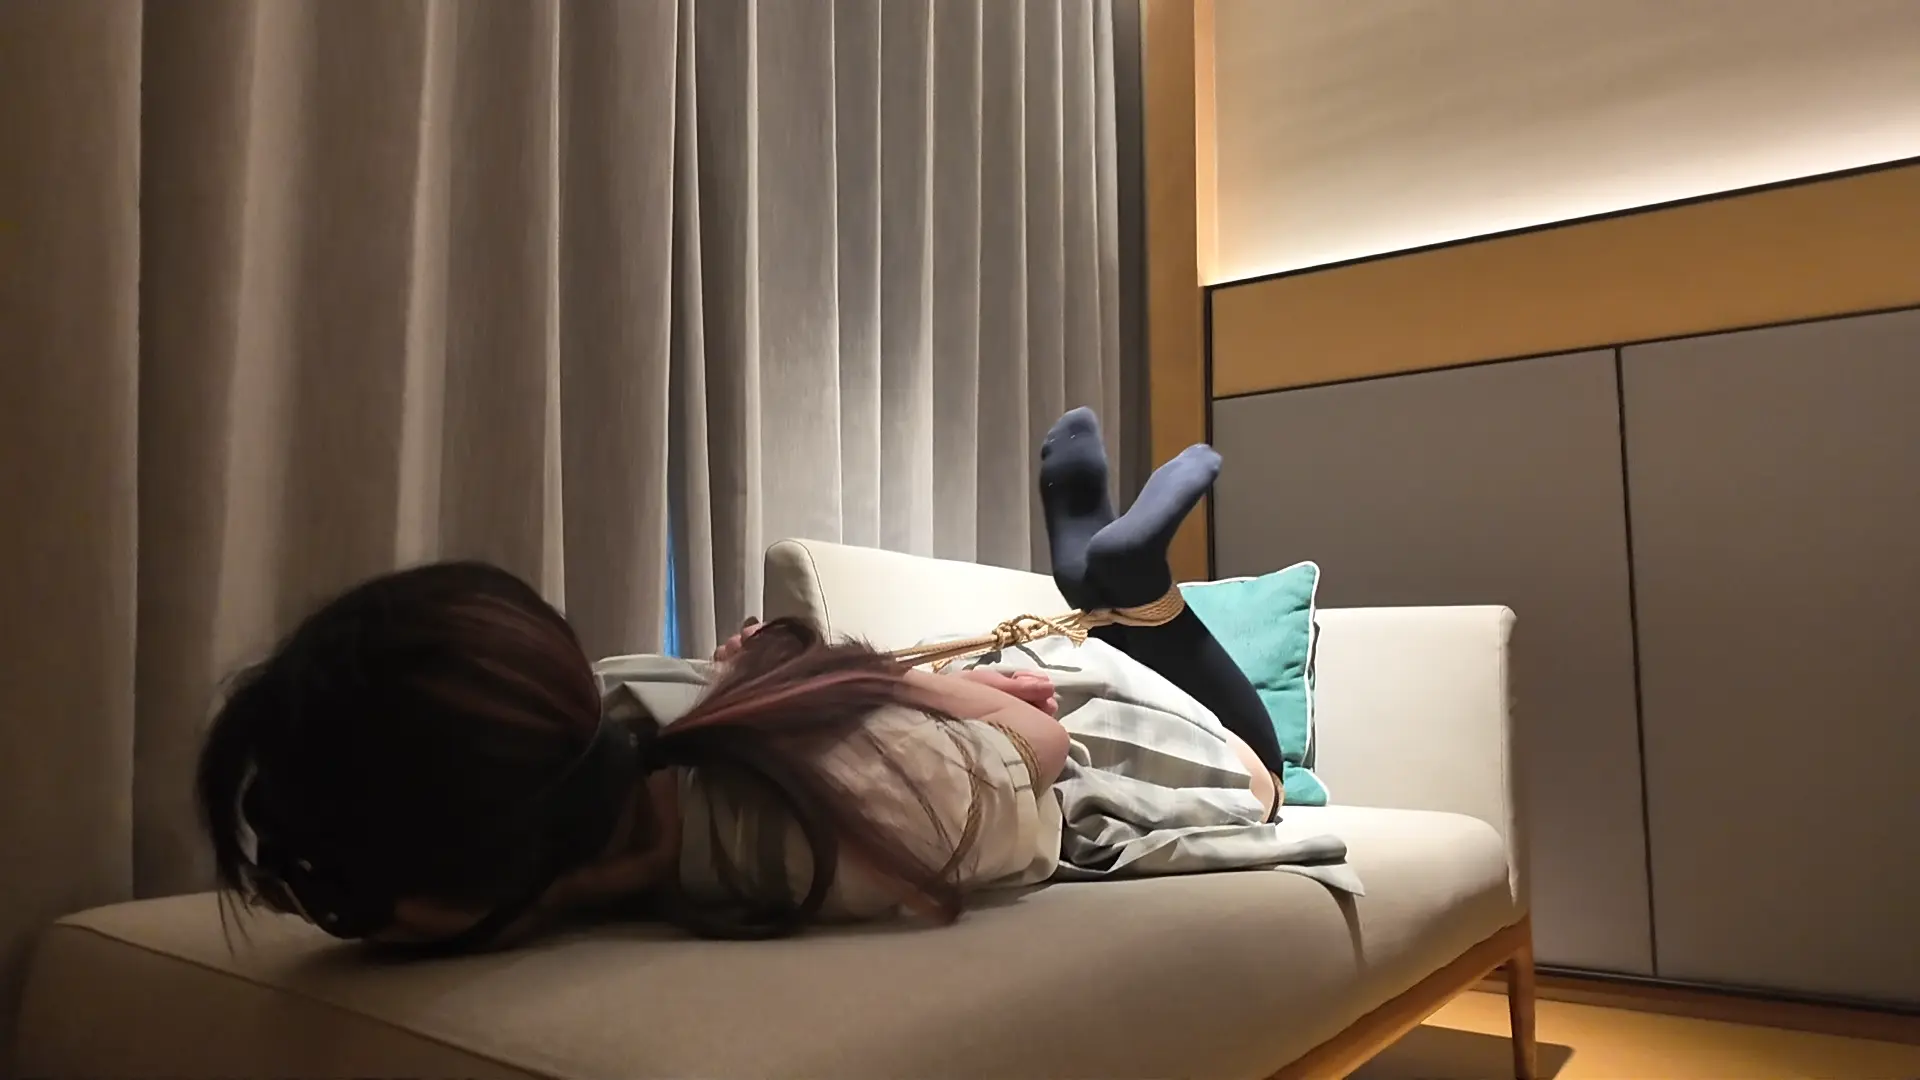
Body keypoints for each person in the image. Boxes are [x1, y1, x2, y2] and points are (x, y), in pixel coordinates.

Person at [197, 409, 1331, 953]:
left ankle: (1132, 593)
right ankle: (1129, 590)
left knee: (1260, 766)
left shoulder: (782, 820)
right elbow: (1027, 743)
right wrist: (859, 684)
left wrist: (870, 686)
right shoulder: (633, 729)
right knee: (1212, 748)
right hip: (999, 741)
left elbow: (1026, 743)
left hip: (1020, 750)